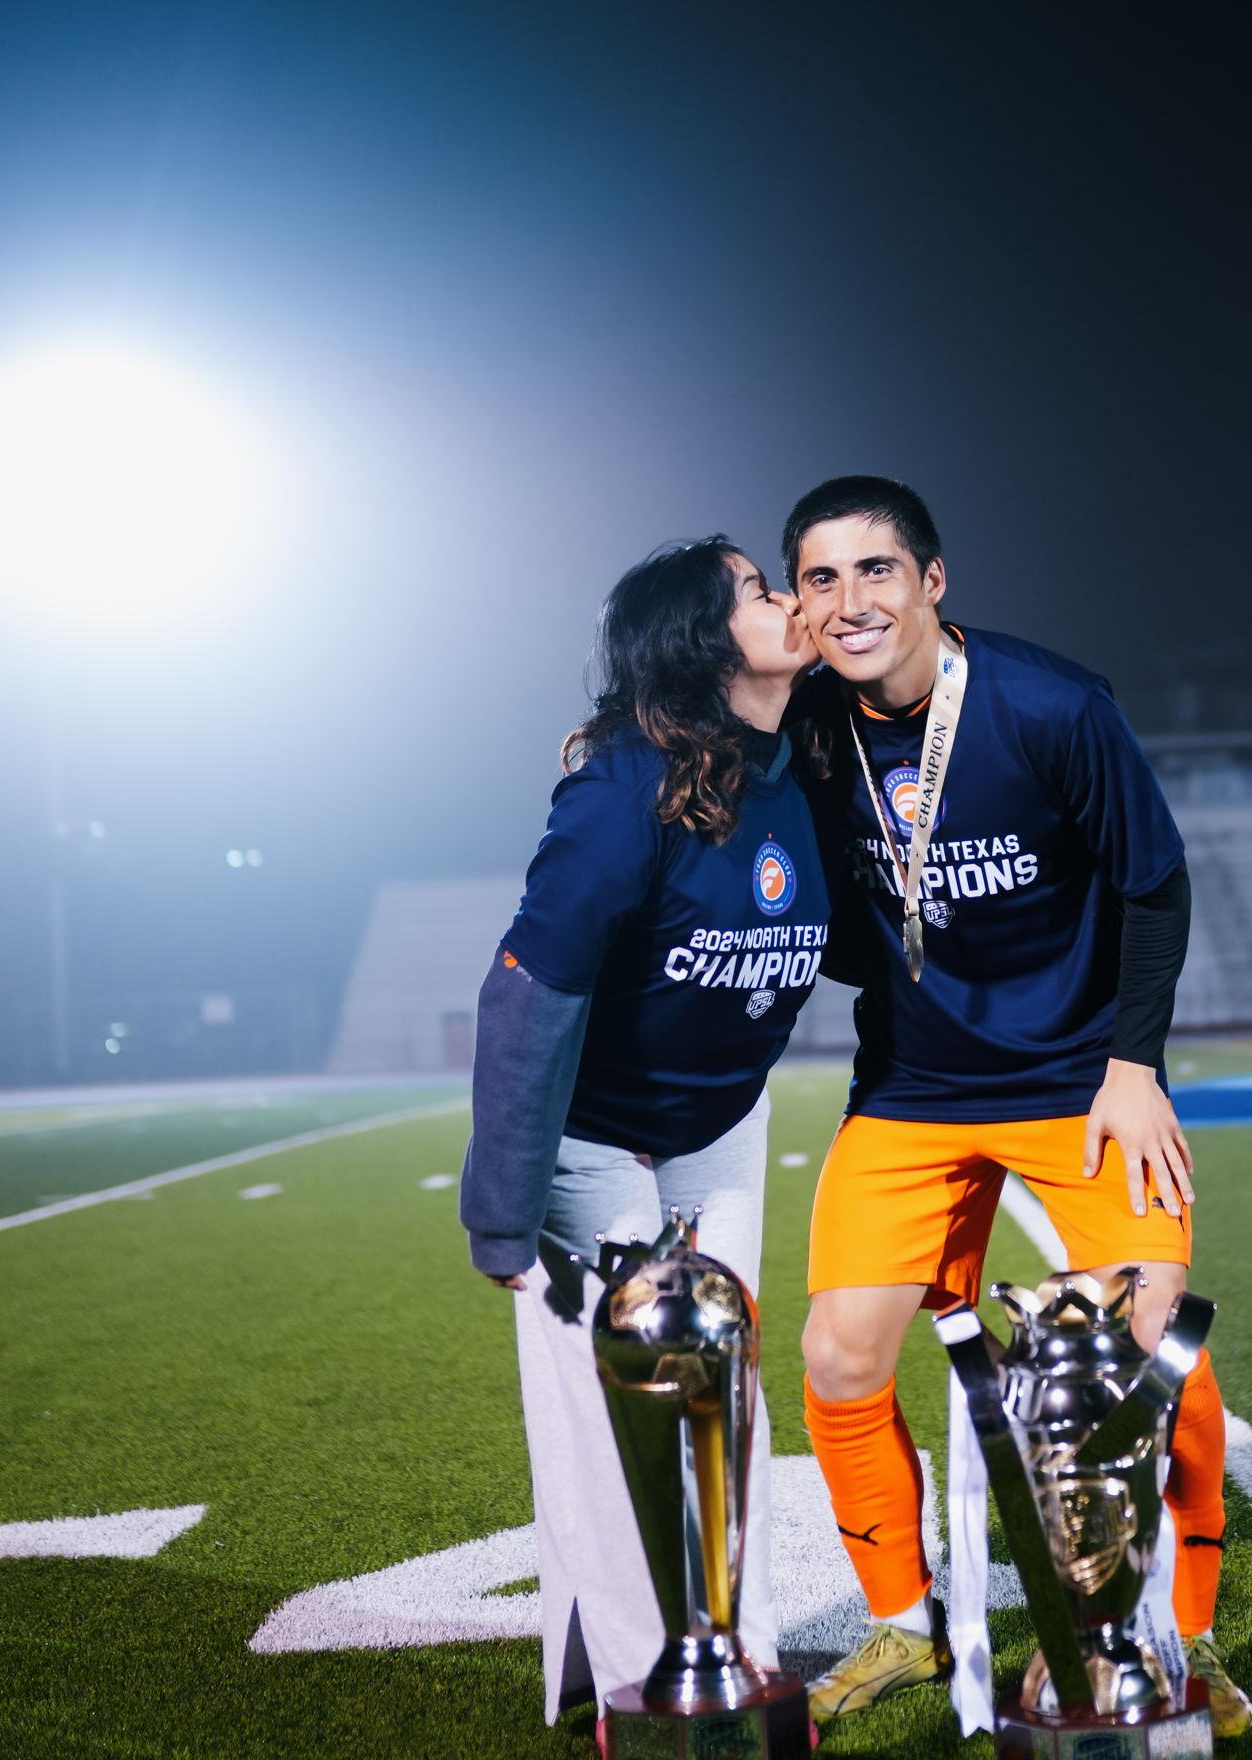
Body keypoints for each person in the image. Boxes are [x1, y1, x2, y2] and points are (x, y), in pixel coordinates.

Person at [781, 475, 1252, 1736]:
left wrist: (1133, 1066)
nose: (849, 600)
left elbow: (1153, 883)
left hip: (1077, 1079)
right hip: (912, 1086)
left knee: (1155, 1343)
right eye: (820, 578)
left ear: (933, 580)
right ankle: (904, 1619)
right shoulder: (809, 725)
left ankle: (1183, 1634)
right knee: (837, 1352)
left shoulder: (1051, 704)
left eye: (876, 569)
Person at [459, 537, 827, 1731]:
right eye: (758, 588)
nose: (790, 598)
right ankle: (647, 1691)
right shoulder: (621, 788)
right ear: (700, 638)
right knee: (626, 1404)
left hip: (717, 1119)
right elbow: (528, 988)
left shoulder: (803, 760)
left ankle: (738, 1660)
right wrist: (501, 1210)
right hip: (593, 1134)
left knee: (725, 1389)